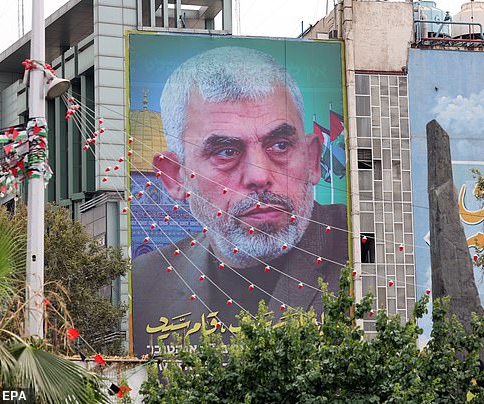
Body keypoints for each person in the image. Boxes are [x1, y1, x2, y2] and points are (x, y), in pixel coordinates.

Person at [131, 46, 348, 354]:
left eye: (280, 145)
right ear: (176, 177)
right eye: (226, 152)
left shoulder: (363, 254)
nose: (259, 177)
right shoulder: (144, 283)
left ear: (313, 160)